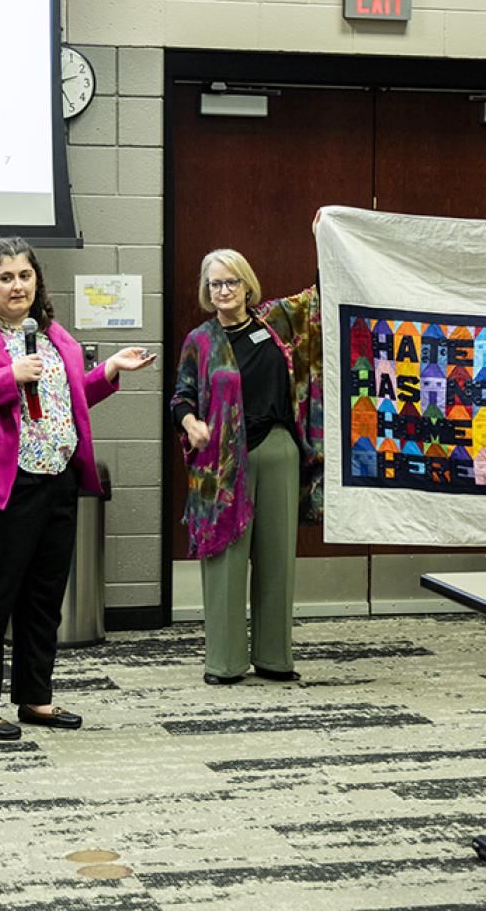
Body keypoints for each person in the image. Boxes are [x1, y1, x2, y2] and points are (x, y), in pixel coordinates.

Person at [0, 237, 156, 739]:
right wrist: (7, 376)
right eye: (6, 277)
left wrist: (110, 372)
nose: (18, 286)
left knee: (41, 601)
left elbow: (67, 402)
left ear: (38, 281)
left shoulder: (57, 337)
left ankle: (36, 698)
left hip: (56, 483)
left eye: (25, 275)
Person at [170, 249, 322, 686]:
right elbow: (179, 396)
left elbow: (319, 298)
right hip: (221, 460)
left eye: (231, 282)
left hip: (278, 450)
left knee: (277, 559)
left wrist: (323, 233)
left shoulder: (275, 323)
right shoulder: (200, 341)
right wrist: (190, 422)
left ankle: (275, 658)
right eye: (215, 284)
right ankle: (225, 662)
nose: (223, 291)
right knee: (226, 561)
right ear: (207, 290)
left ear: (246, 285)